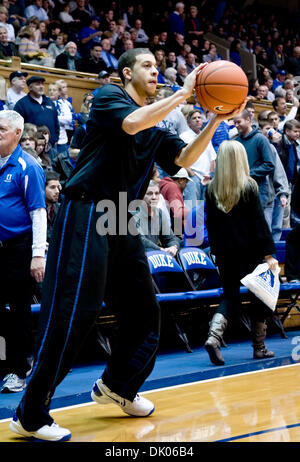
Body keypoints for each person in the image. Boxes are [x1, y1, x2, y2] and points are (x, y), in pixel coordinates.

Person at [11, 48, 246, 442]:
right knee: (75, 313)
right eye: (148, 66)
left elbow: (183, 157)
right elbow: (133, 123)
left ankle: (118, 385)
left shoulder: (155, 126)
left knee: (144, 311)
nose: (157, 71)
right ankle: (30, 414)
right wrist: (185, 93)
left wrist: (214, 119)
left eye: (158, 66)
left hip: (120, 216)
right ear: (126, 73)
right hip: (86, 210)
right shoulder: (108, 98)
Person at [204, 140, 278, 366]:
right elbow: (259, 224)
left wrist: (216, 253)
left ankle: (213, 337)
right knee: (261, 297)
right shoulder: (249, 186)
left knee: (230, 297)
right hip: (251, 252)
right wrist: (269, 254)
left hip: (225, 254)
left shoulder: (211, 189)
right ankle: (260, 347)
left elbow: (211, 227)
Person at [0, 110, 46, 393]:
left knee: (19, 311)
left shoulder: (28, 166)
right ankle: (5, 364)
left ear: (17, 133)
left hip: (19, 249)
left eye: (2, 129)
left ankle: (20, 368)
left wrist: (37, 254)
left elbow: (38, 212)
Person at [234, 109, 276, 216]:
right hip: (239, 190)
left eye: (239, 122)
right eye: (234, 122)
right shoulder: (236, 141)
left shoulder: (260, 139)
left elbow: (269, 164)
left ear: (248, 120)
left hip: (258, 190)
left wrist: (248, 175)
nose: (236, 125)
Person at [134, 180, 180, 255]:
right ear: (141, 195)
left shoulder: (160, 213)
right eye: (149, 194)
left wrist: (173, 247)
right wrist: (160, 250)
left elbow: (171, 238)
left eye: (157, 193)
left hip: (156, 258)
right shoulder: (134, 214)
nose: (154, 197)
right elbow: (140, 240)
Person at [14, 76, 59, 148]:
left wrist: (56, 138)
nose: (41, 86)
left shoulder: (49, 102)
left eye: (42, 84)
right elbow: (17, 125)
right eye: (38, 84)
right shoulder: (22, 104)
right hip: (32, 145)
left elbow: (56, 121)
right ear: (30, 88)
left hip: (50, 144)